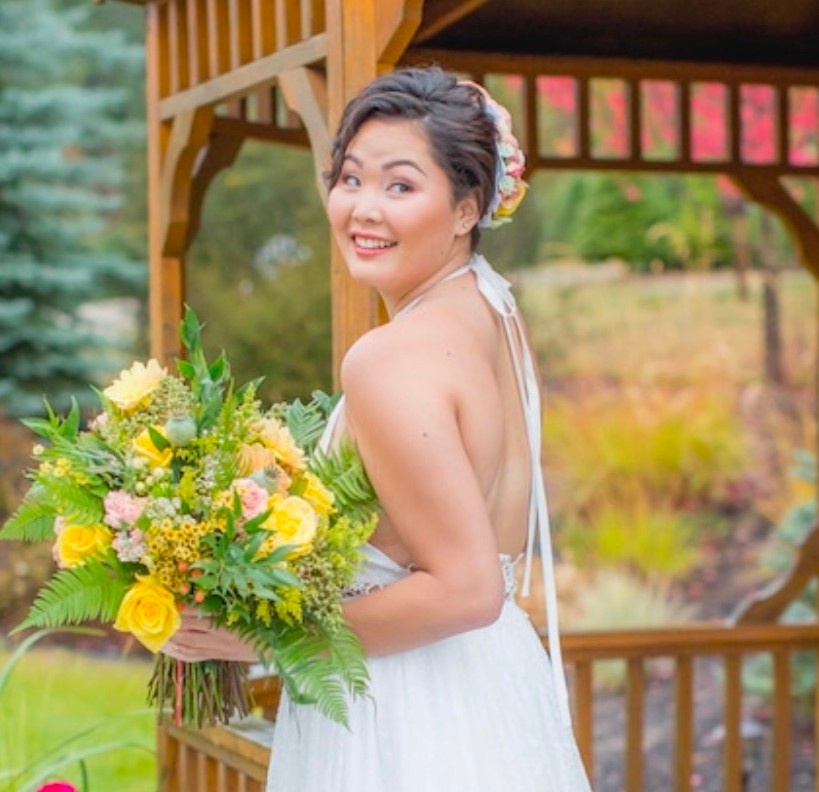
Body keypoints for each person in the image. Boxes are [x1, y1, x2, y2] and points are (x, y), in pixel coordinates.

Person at [163, 65, 593, 791]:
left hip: (406, 711)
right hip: (491, 687)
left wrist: (259, 635)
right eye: (351, 178)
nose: (363, 208)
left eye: (400, 186)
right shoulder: (493, 312)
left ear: (466, 208)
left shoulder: (390, 358)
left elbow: (465, 590)